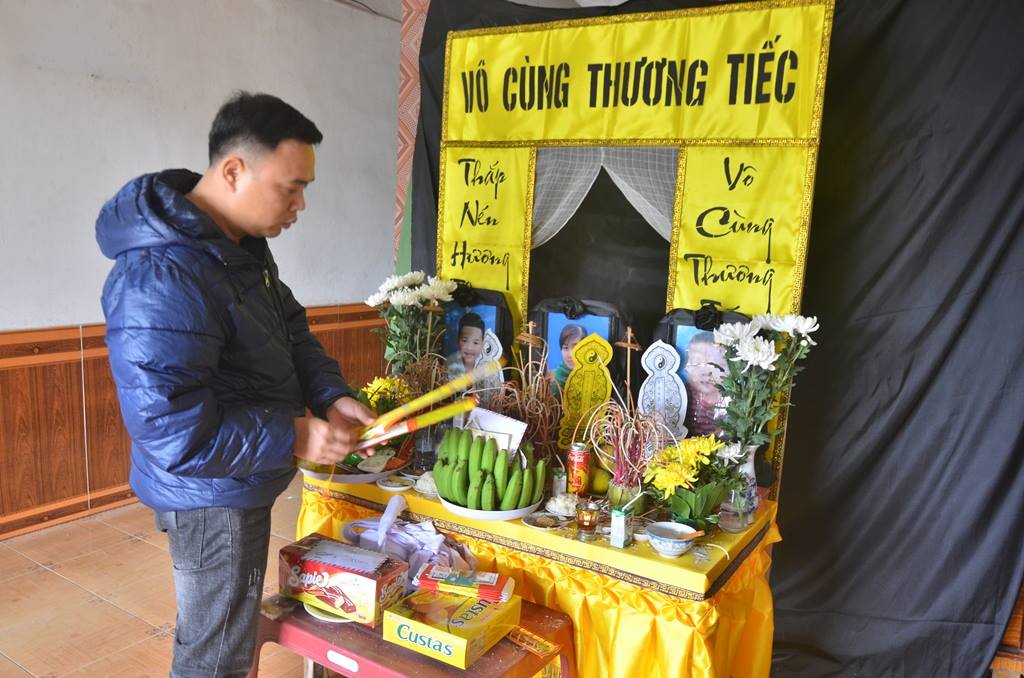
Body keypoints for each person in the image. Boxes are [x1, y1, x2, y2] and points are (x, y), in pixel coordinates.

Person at [96, 91, 376, 678]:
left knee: (227, 638)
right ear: (233, 171)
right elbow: (172, 432)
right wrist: (295, 435)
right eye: (290, 187)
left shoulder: (238, 247)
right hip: (211, 498)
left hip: (237, 478)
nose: (300, 205)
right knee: (214, 657)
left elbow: (289, 329)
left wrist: (330, 394)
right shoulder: (162, 274)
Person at [682, 331, 727, 436]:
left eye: (715, 365)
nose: (706, 372)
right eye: (697, 363)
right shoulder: (682, 394)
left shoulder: (729, 401)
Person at [446, 312, 485, 376]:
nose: (469, 348)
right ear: (458, 340)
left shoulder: (485, 366)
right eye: (465, 341)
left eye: (475, 343)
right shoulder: (450, 364)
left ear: (482, 343)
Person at [552, 323, 586, 391]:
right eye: (565, 348)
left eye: (575, 347)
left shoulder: (594, 377)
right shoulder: (552, 380)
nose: (570, 355)